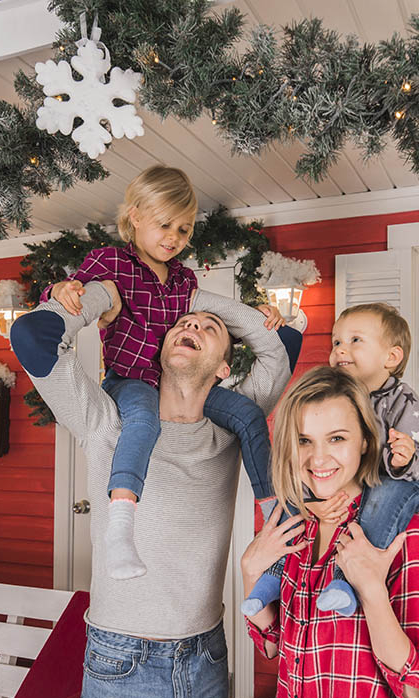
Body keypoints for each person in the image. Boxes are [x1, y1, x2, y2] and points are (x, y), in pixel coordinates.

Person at [10, 279, 292, 698]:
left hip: (205, 658)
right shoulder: (105, 420)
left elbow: (287, 342)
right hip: (122, 663)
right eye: (183, 324)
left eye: (208, 330)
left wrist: (190, 301)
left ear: (225, 369)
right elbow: (30, 336)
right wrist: (98, 297)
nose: (191, 326)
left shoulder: (229, 430)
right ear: (157, 352)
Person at [46, 164, 295, 580]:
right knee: (142, 423)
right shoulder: (112, 263)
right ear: (135, 217)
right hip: (131, 381)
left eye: (184, 230)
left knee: (250, 416)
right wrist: (60, 291)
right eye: (165, 225)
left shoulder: (183, 278)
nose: (174, 239)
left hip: (179, 382)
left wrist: (263, 315)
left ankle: (276, 516)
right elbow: (71, 293)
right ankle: (121, 526)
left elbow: (221, 318)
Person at [242, 366, 419, 698]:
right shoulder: (294, 529)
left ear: (366, 442)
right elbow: (275, 645)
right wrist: (250, 573)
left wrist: (371, 589)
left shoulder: (406, 532)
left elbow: (414, 686)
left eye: (336, 438)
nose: (318, 460)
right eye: (304, 441)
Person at [241, 302, 419, 617]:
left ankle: (345, 582)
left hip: (413, 488)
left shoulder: (402, 400)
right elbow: (273, 645)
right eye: (336, 342)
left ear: (391, 357)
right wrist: (310, 503)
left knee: (385, 491)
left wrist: (402, 459)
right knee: (291, 501)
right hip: (367, 487)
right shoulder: (340, 402)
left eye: (355, 341)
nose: (340, 349)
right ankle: (273, 576)